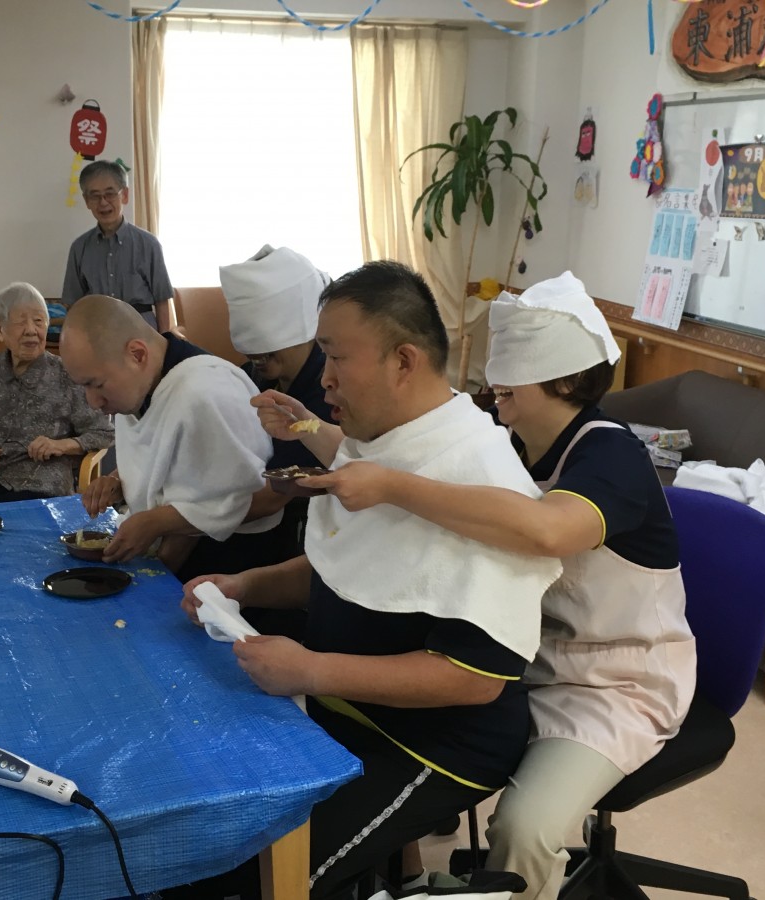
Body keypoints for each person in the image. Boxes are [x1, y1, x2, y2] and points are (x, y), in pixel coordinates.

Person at [292, 272, 697, 900]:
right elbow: (409, 456)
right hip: (532, 656)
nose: (494, 385)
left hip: (613, 679)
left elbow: (545, 530)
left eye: (512, 376)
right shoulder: (510, 441)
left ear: (564, 380)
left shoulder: (610, 456)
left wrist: (390, 486)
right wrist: (307, 429)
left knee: (526, 825)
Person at [178, 262, 561, 899]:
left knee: (261, 878)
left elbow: (475, 679)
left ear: (403, 361)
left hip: (433, 743)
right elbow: (347, 571)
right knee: (205, 813)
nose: (324, 377)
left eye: (335, 357)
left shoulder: (480, 477)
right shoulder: (385, 441)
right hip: (345, 703)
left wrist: (310, 670)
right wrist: (244, 585)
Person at [61, 295, 282, 580]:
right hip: (172, 547)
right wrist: (118, 481)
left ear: (137, 354)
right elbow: (167, 463)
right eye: (84, 387)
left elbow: (250, 496)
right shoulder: (140, 382)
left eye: (97, 384)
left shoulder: (204, 392)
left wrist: (156, 522)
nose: (93, 402)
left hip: (230, 566)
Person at [0, 283, 112, 508]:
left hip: (40, 484)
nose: (31, 330)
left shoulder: (67, 374)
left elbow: (103, 432)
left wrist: (61, 445)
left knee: (12, 522)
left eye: (38, 321)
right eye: (20, 322)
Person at [220, 244, 334, 562]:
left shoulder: (329, 390)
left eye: (268, 350)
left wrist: (185, 519)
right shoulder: (251, 376)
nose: (257, 359)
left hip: (305, 536)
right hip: (240, 512)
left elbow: (273, 496)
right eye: (252, 352)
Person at [62, 160, 174, 330]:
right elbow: (73, 304)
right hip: (97, 331)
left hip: (142, 331)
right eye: (95, 196)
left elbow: (162, 300)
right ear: (86, 200)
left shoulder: (149, 244)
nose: (103, 202)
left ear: (124, 195)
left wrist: (165, 340)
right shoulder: (79, 248)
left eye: (110, 194)